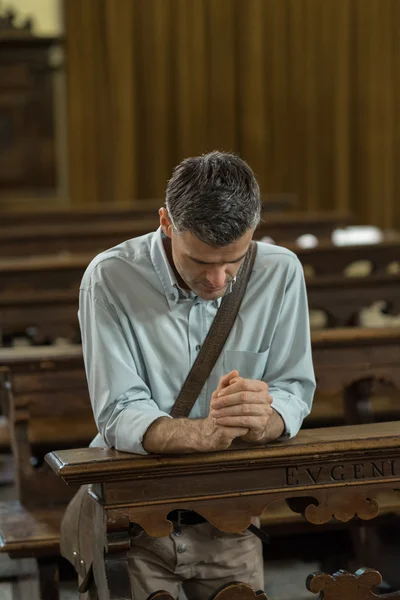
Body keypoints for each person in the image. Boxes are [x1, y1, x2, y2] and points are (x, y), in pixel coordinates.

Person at [77, 151, 315, 599]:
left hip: (233, 514)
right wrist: (203, 432)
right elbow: (118, 412)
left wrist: (266, 418)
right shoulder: (110, 277)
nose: (219, 281)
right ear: (166, 222)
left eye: (234, 261)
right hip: (133, 520)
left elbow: (294, 388)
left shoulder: (280, 271)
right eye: (201, 262)